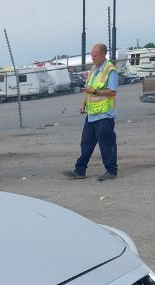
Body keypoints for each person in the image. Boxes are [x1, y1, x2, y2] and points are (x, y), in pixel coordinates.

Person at [63, 43, 119, 181]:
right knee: (86, 143)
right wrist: (83, 105)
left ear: (103, 54)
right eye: (91, 55)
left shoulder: (110, 70)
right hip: (92, 115)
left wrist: (94, 91)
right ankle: (79, 170)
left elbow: (112, 91)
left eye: (95, 55)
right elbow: (87, 90)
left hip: (104, 115)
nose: (92, 58)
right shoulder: (93, 70)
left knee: (106, 144)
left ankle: (111, 170)